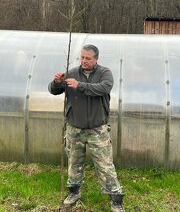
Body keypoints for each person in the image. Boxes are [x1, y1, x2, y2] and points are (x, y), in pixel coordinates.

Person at [48, 44, 125, 212]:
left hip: (98, 129)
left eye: (88, 58)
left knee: (105, 165)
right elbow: (54, 91)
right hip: (74, 128)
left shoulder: (104, 73)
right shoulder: (72, 73)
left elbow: (103, 88)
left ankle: (116, 199)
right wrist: (56, 82)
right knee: (74, 162)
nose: (84, 61)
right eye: (82, 57)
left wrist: (80, 85)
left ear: (96, 59)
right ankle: (74, 192)